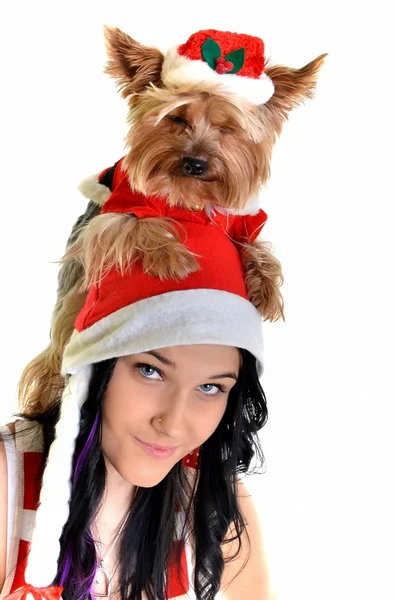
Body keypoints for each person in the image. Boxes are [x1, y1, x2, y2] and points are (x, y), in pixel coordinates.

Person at [0, 193, 277, 599]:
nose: (173, 422)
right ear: (97, 365)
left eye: (210, 387)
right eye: (151, 371)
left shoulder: (211, 501)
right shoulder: (11, 482)